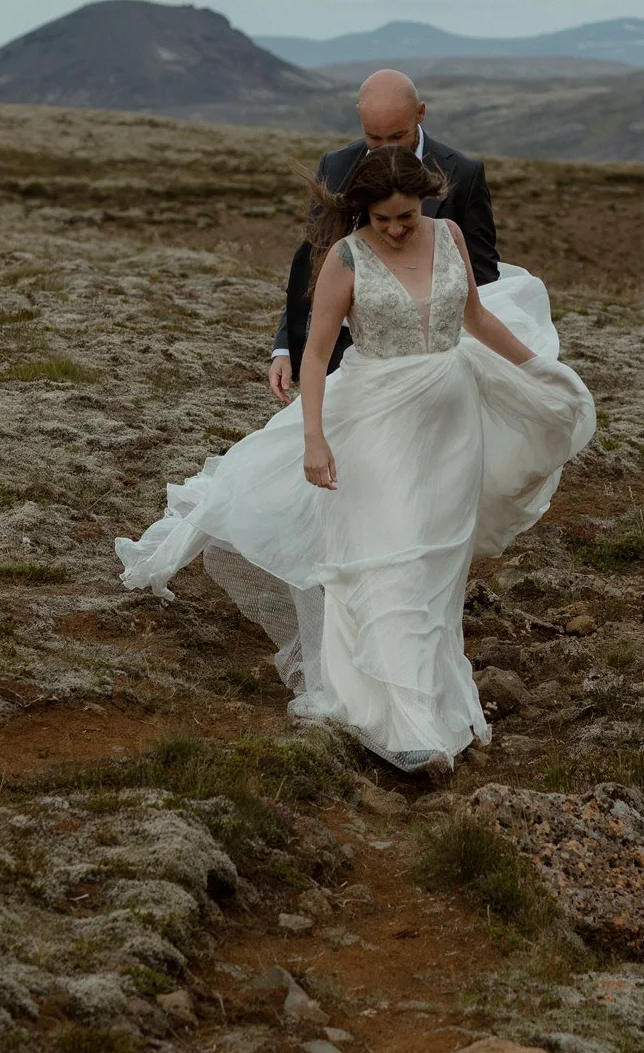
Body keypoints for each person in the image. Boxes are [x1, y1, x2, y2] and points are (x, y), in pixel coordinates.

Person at [116, 146, 594, 775]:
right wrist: (314, 439)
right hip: (377, 424)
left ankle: (429, 699)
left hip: (452, 427)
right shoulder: (345, 258)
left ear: (423, 202)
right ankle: (396, 722)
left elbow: (475, 318)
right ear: (363, 212)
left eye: (406, 217)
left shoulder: (449, 236)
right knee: (386, 556)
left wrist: (539, 370)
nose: (395, 229)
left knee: (436, 563)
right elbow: (316, 356)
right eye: (382, 219)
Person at [269, 68, 498, 397]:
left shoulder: (463, 174)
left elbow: (483, 275)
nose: (384, 149)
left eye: (397, 137)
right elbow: (314, 263)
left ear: (420, 113)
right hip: (337, 351)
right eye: (373, 138)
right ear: (360, 117)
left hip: (428, 365)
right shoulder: (334, 166)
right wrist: (285, 347)